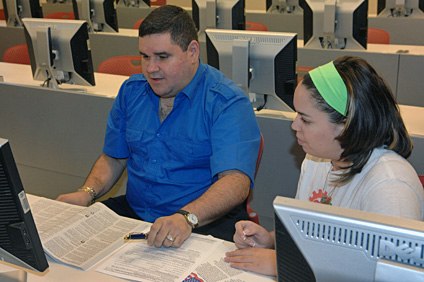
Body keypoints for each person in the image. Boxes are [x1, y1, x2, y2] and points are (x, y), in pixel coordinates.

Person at [56, 5, 261, 248]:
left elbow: (236, 181)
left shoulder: (226, 101)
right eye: (145, 56)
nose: (151, 68)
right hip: (137, 212)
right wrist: (87, 192)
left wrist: (187, 217)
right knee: (67, 242)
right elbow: (114, 157)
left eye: (163, 57)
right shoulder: (132, 91)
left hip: (202, 221)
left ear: (193, 51)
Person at [224, 56, 424, 276]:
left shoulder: (391, 187)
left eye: (305, 119)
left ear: (345, 126)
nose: (294, 125)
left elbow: (392, 276)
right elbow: (314, 242)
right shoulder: (316, 160)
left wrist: (284, 264)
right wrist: (270, 241)